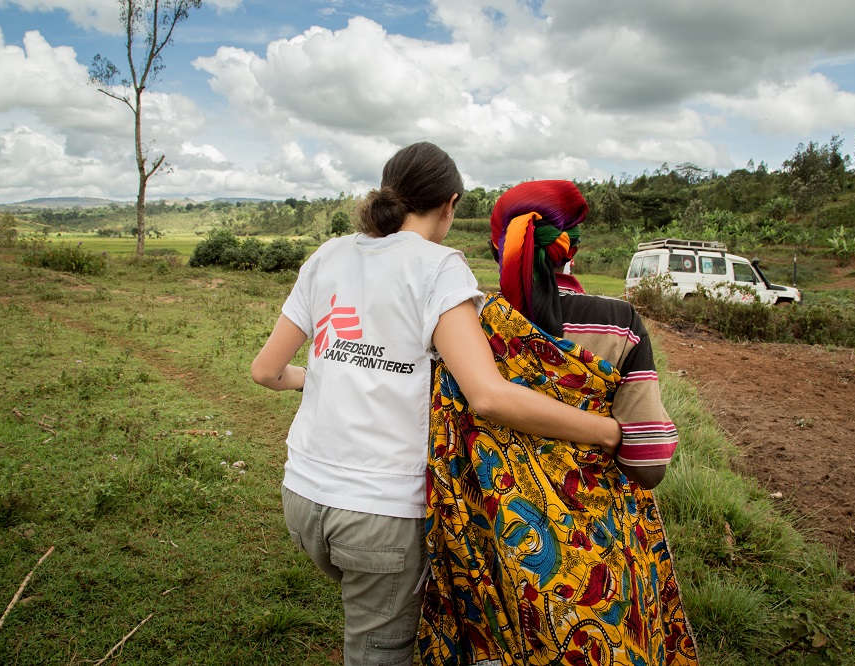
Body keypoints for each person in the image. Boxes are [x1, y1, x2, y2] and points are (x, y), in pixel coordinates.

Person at [251, 146, 622, 665]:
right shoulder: (438, 266)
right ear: (449, 205)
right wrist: (605, 431)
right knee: (377, 649)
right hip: (377, 515)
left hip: (302, 499)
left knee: (370, 607)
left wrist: (322, 376)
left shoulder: (328, 255)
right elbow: (488, 396)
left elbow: (265, 371)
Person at [419, 180, 698, 665]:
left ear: (496, 247)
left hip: (496, 543)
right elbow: (648, 465)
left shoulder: (471, 327)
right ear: (573, 250)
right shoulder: (619, 323)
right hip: (601, 550)